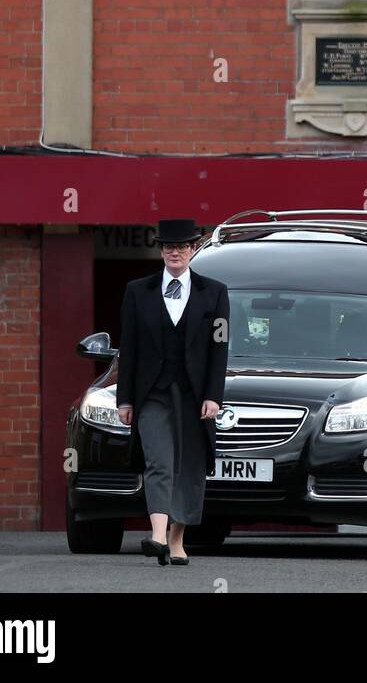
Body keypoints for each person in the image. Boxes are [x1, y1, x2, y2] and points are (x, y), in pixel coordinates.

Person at [115, 218, 230, 565]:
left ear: (194, 250)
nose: (174, 252)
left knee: (191, 467)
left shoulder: (216, 293)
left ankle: (176, 540)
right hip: (152, 394)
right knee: (159, 461)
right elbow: (129, 347)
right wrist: (125, 398)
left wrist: (214, 395)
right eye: (168, 247)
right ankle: (156, 535)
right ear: (161, 250)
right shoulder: (137, 291)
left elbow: (219, 348)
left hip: (196, 396)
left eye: (181, 246)